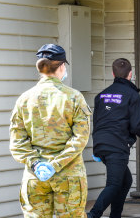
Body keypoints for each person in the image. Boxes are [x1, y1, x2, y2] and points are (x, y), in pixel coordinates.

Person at [9, 44, 91, 218]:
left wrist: (36, 163)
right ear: (61, 66)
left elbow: (17, 143)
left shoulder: (24, 99)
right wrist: (55, 165)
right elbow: (80, 139)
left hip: (35, 176)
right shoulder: (74, 97)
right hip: (68, 175)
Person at [87, 58, 140, 218]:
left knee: (125, 181)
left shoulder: (101, 96)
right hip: (117, 146)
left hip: (102, 144)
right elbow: (137, 126)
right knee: (113, 184)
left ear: (113, 73)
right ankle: (92, 215)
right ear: (130, 74)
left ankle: (115, 215)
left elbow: (97, 122)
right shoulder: (133, 96)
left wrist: (96, 147)